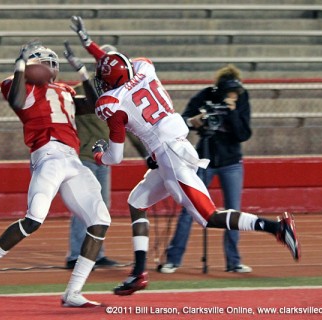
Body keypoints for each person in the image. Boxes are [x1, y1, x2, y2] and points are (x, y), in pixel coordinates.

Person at [70, 15, 301, 296]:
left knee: (208, 216)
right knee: (137, 201)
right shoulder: (144, 67)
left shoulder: (112, 103)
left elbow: (114, 157)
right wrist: (89, 44)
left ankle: (276, 227)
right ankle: (139, 273)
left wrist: (97, 155)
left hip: (170, 155)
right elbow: (119, 62)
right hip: (172, 143)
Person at [0, 40, 110, 308]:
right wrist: (20, 65)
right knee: (34, 219)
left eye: (52, 63)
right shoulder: (18, 83)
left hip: (72, 159)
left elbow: (96, 106)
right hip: (48, 154)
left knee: (100, 221)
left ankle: (73, 293)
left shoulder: (65, 89)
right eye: (44, 63)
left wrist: (82, 72)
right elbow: (17, 100)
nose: (50, 67)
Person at [159, 65, 253, 274]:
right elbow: (183, 122)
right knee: (190, 207)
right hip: (204, 158)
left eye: (234, 92)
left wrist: (233, 112)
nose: (232, 95)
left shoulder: (242, 98)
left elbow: (244, 133)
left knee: (233, 210)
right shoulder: (206, 95)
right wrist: (196, 121)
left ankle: (233, 261)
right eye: (228, 92)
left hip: (231, 160)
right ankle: (173, 259)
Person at [63, 42, 119, 269]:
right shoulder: (79, 91)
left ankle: (96, 253)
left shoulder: (115, 94)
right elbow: (93, 103)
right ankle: (76, 255)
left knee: (100, 207)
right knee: (84, 205)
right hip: (84, 156)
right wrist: (82, 73)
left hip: (102, 157)